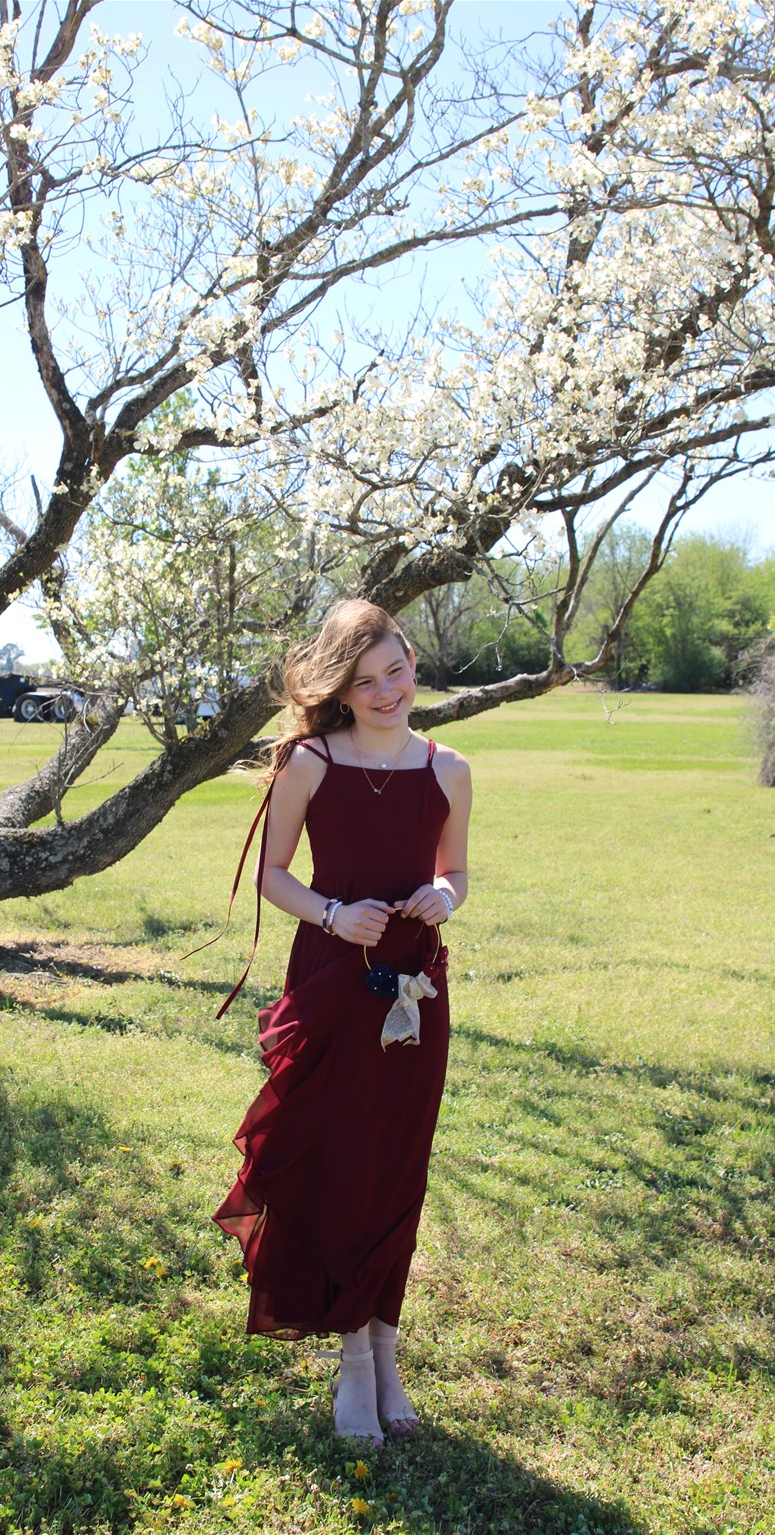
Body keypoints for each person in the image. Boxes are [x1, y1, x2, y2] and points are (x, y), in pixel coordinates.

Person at [212, 598, 472, 1448]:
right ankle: (354, 1358)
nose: (387, 691)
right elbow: (274, 874)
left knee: (398, 1166)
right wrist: (332, 914)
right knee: (344, 1160)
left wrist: (444, 896)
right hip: (334, 980)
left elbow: (457, 870)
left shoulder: (449, 768)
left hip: (416, 992)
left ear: (412, 663)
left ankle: (388, 1348)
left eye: (396, 670)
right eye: (365, 682)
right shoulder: (311, 762)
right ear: (339, 689)